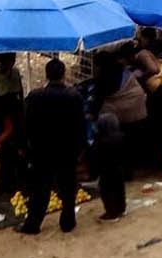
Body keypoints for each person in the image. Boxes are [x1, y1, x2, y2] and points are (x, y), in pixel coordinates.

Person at [19, 59, 85, 235]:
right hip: (67, 150)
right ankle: (68, 222)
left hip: (41, 151)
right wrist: (80, 149)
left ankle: (33, 224)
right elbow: (80, 125)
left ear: (46, 75)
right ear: (64, 74)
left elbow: (25, 125)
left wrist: (24, 147)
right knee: (68, 187)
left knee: (40, 189)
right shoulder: (74, 96)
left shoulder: (35, 97)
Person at [91, 112, 126, 221]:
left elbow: (95, 159)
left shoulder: (99, 141)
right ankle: (121, 208)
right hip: (119, 168)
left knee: (107, 192)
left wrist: (94, 172)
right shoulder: (121, 137)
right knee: (120, 189)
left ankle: (111, 213)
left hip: (105, 171)